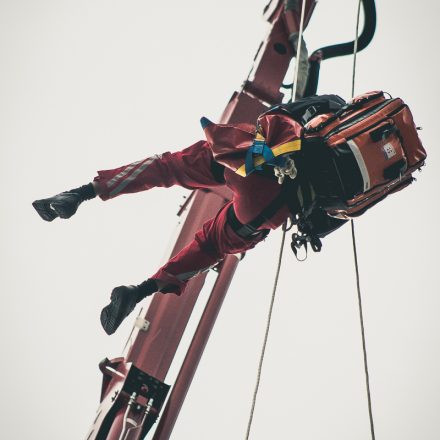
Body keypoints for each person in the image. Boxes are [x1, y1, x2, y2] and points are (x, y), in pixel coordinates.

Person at [32, 110, 342, 335]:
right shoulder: (375, 177)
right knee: (211, 247)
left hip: (258, 164)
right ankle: (139, 291)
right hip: (270, 208)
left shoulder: (334, 110)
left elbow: (279, 118)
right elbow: (325, 221)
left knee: (170, 167)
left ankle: (80, 194)